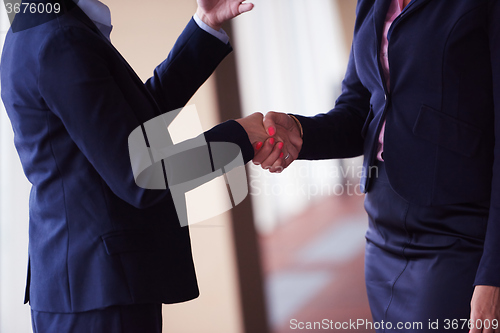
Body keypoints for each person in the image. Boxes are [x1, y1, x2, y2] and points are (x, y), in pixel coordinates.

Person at [0, 0, 289, 331]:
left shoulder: (32, 29)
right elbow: (139, 175)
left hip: (86, 286)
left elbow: (131, 129)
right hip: (99, 291)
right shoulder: (60, 39)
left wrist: (205, 26)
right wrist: (238, 136)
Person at [258, 0, 500, 332]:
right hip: (382, 230)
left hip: (457, 231)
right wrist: (301, 132)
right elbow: (360, 108)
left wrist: (494, 273)